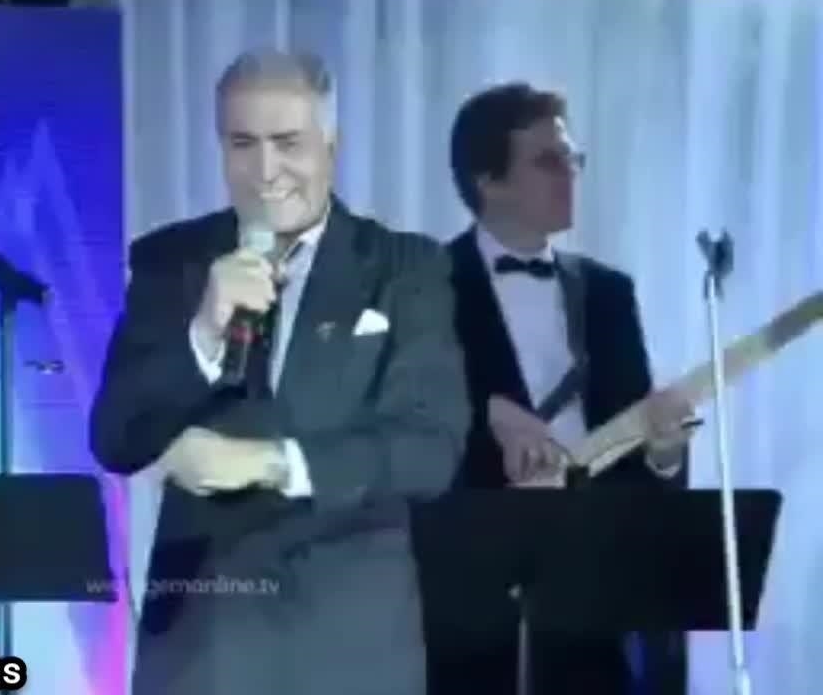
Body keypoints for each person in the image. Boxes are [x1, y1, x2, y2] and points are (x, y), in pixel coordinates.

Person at [89, 47, 470, 695]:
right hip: (203, 644)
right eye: (243, 144)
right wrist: (203, 333)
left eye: (287, 143)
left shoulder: (403, 267)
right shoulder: (171, 260)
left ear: (331, 145)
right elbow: (115, 437)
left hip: (349, 648)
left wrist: (271, 462)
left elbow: (428, 449)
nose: (265, 171)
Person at [425, 82, 693, 695]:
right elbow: (400, 426)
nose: (569, 174)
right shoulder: (424, 287)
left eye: (573, 158)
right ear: (488, 181)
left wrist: (664, 454)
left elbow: (634, 448)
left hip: (594, 599)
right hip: (471, 604)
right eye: (548, 161)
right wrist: (486, 419)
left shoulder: (610, 293)